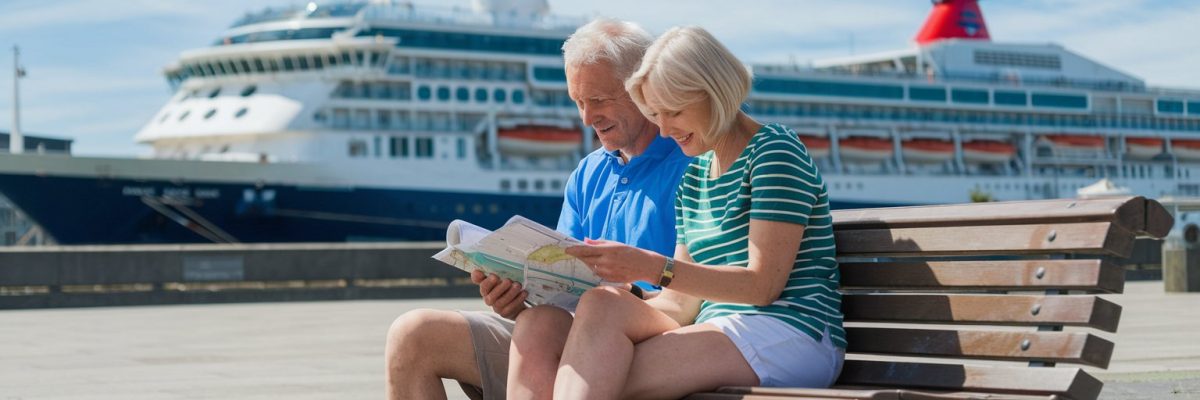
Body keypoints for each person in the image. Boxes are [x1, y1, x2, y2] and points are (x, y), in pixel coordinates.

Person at [383, 18, 691, 400]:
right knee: (414, 335)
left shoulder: (691, 163)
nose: (585, 118)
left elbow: (701, 293)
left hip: (645, 339)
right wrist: (517, 296)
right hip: (557, 334)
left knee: (544, 327)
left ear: (643, 88)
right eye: (578, 101)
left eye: (598, 100)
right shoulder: (588, 172)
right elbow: (563, 284)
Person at [549, 26, 847, 399]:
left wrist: (649, 266)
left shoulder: (773, 150)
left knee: (598, 376)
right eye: (656, 114)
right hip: (723, 327)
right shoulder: (694, 179)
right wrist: (624, 289)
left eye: (673, 111)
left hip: (790, 330)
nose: (664, 128)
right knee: (600, 309)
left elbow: (762, 286)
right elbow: (680, 304)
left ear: (714, 93)